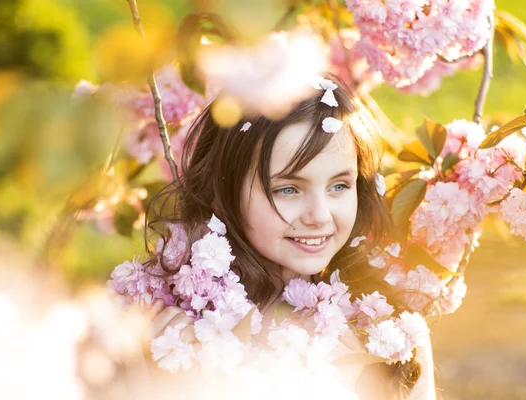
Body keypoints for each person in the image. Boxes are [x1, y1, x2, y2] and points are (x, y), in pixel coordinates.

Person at [138, 75, 436, 399]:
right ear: (221, 195)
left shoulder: (389, 328)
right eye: (288, 189)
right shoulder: (174, 330)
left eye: (339, 186)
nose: (320, 215)